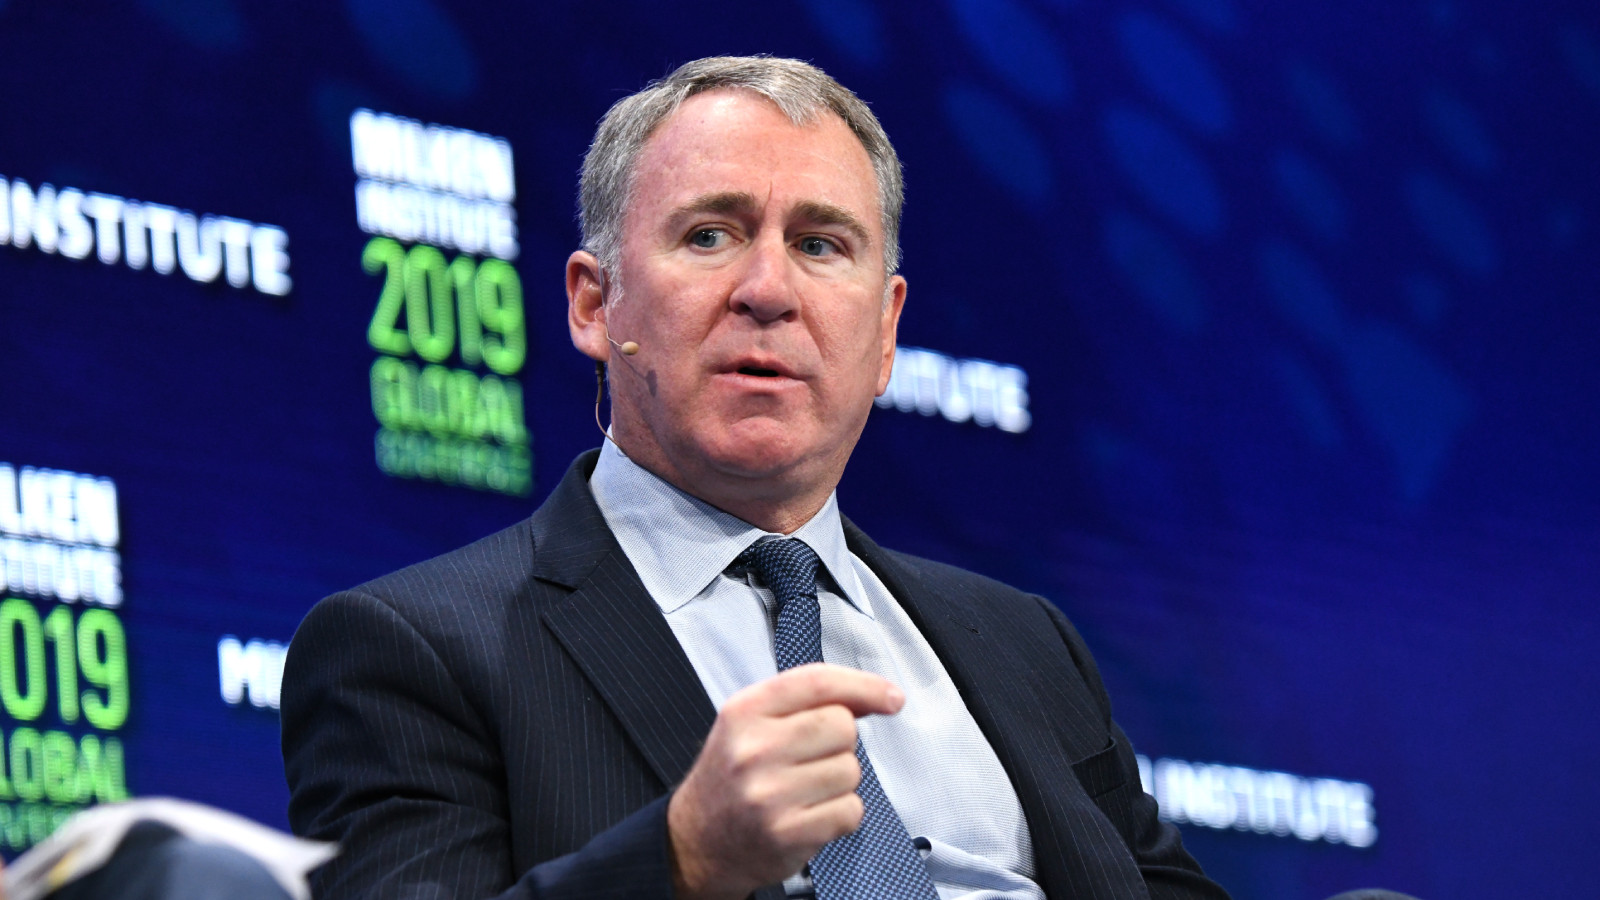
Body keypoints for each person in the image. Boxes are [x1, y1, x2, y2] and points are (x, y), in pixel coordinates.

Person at [281, 56, 1230, 900]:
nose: (768, 290)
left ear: (887, 330)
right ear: (592, 303)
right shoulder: (411, 651)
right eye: (710, 235)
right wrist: (683, 860)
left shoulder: (1029, 645)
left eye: (821, 245)